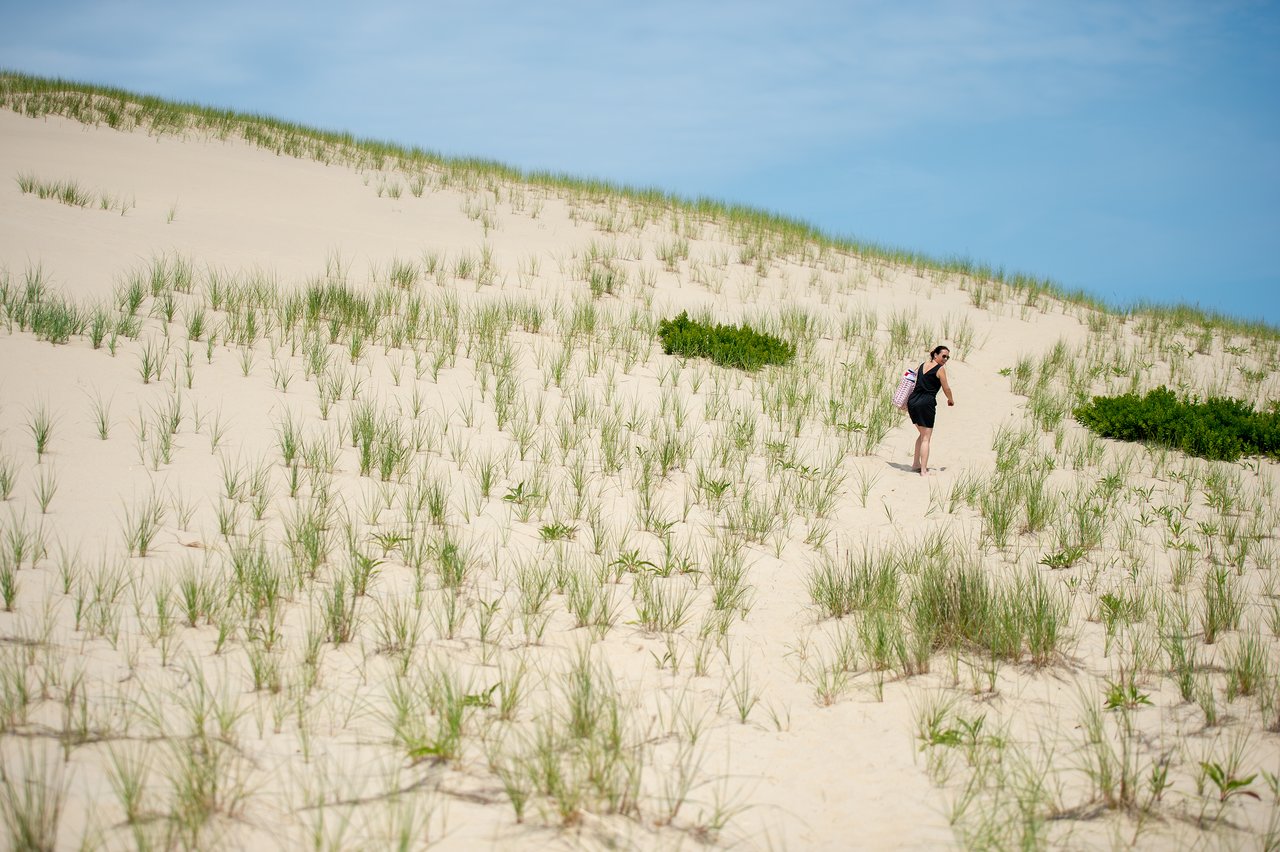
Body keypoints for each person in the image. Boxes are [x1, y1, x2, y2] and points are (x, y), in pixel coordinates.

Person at [908, 345, 955, 476]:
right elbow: (947, 388)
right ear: (935, 355)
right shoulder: (940, 369)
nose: (945, 359)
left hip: (913, 402)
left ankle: (915, 464)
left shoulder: (923, 364)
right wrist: (950, 400)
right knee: (926, 438)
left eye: (947, 357)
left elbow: (911, 376)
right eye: (943, 356)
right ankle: (923, 470)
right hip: (925, 403)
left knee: (922, 435)